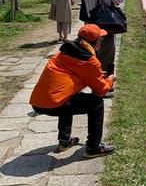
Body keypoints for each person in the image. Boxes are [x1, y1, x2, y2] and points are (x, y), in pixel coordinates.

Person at [29, 24, 117, 157]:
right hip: (54, 104)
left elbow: (74, 74)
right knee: (96, 102)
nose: (101, 42)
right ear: (97, 42)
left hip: (38, 102)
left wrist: (97, 75)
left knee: (69, 97)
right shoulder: (89, 61)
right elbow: (101, 90)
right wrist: (110, 80)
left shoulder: (63, 52)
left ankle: (64, 141)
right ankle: (93, 147)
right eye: (101, 40)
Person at [83, 0, 124, 75]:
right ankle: (105, 81)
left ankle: (95, 78)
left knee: (95, 53)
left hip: (91, 23)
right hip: (105, 25)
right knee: (107, 53)